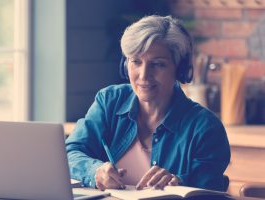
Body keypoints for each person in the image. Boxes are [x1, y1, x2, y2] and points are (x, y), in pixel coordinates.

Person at [66, 15, 230, 192]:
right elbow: (70, 153)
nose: (144, 75)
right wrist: (94, 171)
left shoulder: (206, 129)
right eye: (136, 62)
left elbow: (208, 190)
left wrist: (178, 183)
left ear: (180, 69)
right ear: (125, 64)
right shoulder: (109, 102)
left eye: (158, 64)